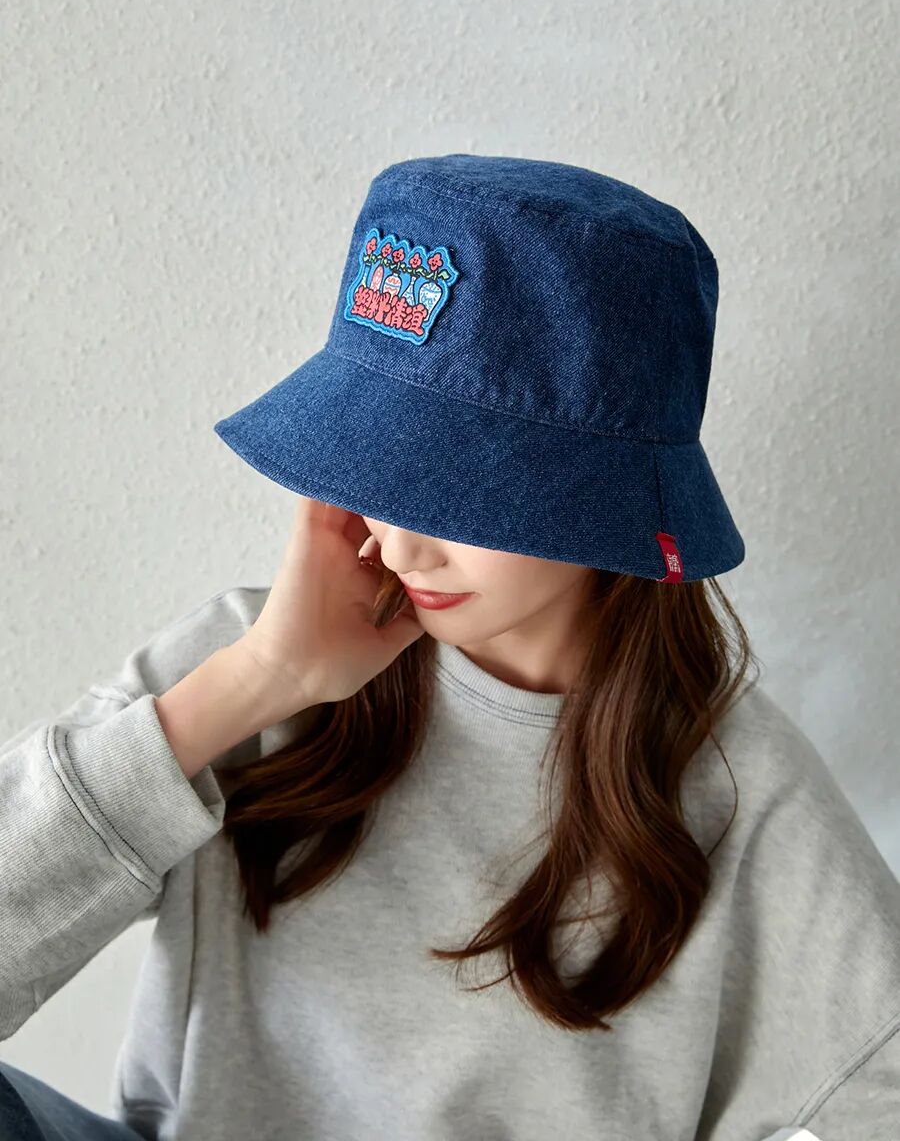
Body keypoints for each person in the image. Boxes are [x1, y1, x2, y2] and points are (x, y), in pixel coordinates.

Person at [1, 155, 898, 1140]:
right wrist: (264, 679)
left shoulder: (740, 790)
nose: (398, 543)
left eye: (463, 488)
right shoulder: (253, 658)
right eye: (375, 468)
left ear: (606, 496)